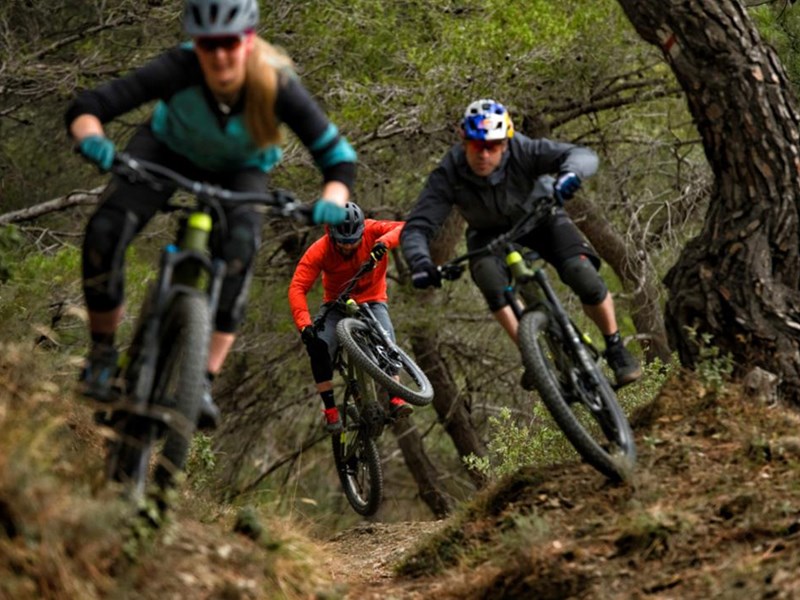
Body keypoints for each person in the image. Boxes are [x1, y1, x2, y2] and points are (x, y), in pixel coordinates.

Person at [66, 0, 356, 430]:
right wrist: (93, 140)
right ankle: (103, 353)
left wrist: (332, 198)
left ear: (248, 40)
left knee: (240, 249)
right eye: (207, 44)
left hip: (241, 170)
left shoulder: (274, 83)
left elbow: (338, 158)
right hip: (166, 152)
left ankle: (200, 381)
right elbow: (89, 106)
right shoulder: (178, 68)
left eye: (228, 43)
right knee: (106, 231)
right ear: (194, 44)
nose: (219, 55)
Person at [400, 99, 641, 388]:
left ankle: (615, 348)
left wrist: (571, 174)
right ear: (464, 140)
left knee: (583, 276)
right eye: (477, 145)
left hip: (542, 219)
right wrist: (420, 262)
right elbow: (418, 226)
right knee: (489, 278)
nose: (484, 154)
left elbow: (581, 155)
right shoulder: (449, 171)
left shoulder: (524, 150)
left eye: (493, 145)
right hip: (488, 235)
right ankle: (533, 357)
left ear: (505, 143)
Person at [288, 202, 413, 433]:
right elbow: (297, 287)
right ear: (331, 234)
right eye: (342, 242)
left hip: (373, 299)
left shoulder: (373, 230)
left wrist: (384, 243)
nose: (347, 246)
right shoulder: (321, 249)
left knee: (386, 340)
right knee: (318, 348)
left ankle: (397, 399)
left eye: (352, 241)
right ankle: (330, 410)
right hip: (336, 305)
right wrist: (304, 325)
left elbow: (407, 227)